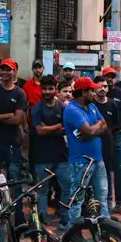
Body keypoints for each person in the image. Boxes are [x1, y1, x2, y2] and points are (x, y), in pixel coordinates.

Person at [63, 76, 110, 225]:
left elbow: (104, 124)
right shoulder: (72, 109)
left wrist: (91, 131)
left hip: (97, 158)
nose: (95, 93)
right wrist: (93, 129)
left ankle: (105, 226)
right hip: (81, 162)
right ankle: (74, 231)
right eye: (91, 90)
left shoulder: (91, 106)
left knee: (102, 195)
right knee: (77, 198)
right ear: (83, 92)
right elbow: (90, 130)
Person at [31, 75, 71, 226]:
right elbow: (39, 131)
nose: (47, 91)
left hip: (61, 155)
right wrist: (56, 127)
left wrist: (47, 128)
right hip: (42, 156)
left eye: (50, 88)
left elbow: (66, 128)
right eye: (44, 89)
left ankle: (65, 219)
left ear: (55, 90)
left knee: (66, 188)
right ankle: (42, 222)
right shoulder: (36, 109)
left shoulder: (62, 107)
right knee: (42, 191)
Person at [0, 58, 28, 181]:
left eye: (9, 69)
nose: (5, 72)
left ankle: (16, 201)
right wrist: (8, 115)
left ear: (15, 71)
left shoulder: (20, 93)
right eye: (3, 69)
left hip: (13, 143)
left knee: (15, 180)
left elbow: (17, 120)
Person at [100, 67, 121, 213]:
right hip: (101, 136)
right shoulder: (97, 94)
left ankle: (120, 202)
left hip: (117, 135)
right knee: (104, 169)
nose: (110, 80)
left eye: (112, 77)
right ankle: (108, 200)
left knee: (120, 169)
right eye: (106, 77)